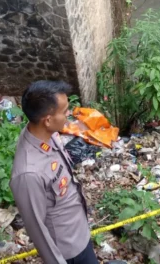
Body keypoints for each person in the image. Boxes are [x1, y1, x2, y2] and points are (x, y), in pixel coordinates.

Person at [10, 80, 98, 264]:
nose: (69, 115)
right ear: (48, 120)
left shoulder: (46, 134)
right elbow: (37, 230)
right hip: (69, 251)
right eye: (65, 111)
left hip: (79, 231)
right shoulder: (28, 174)